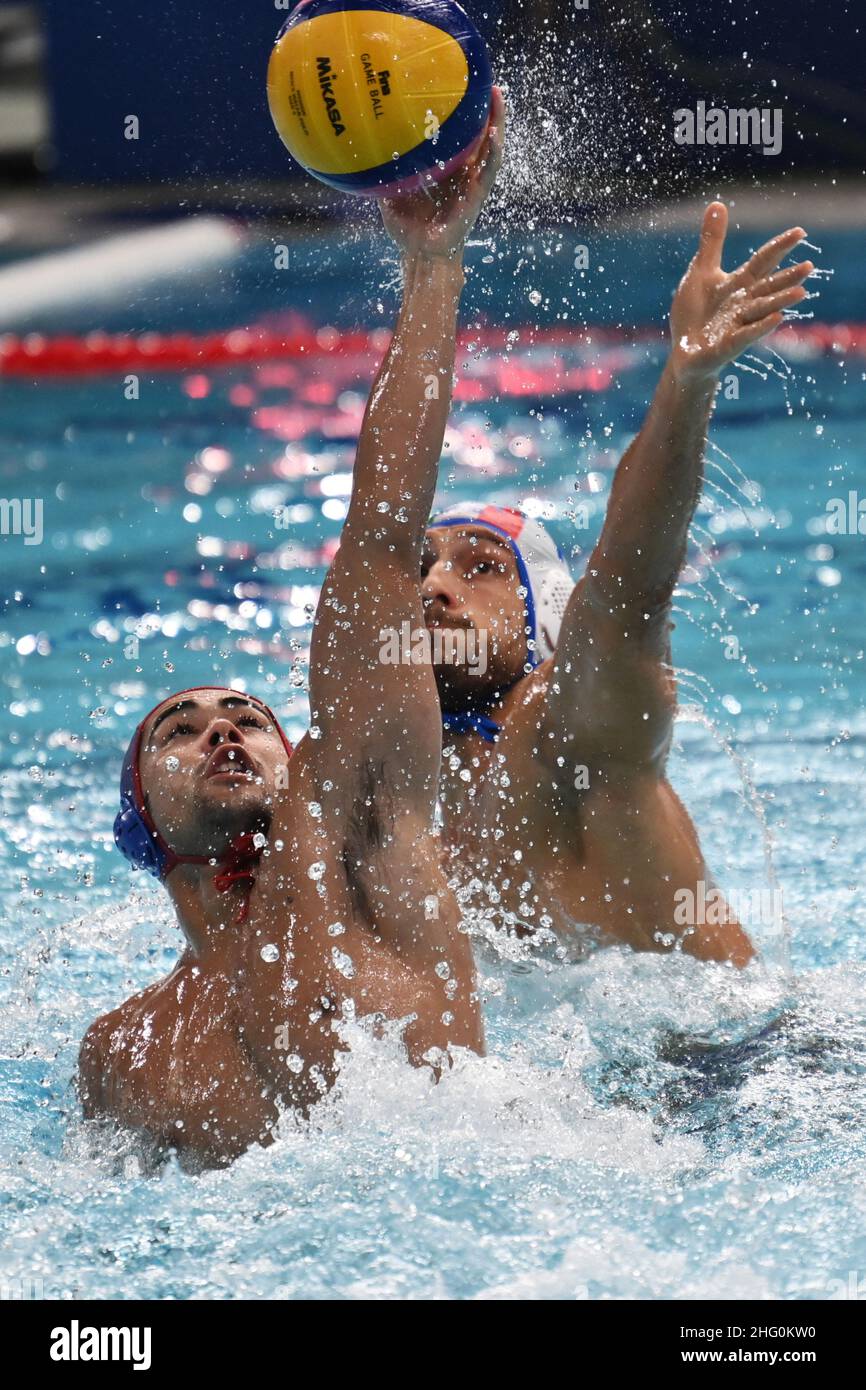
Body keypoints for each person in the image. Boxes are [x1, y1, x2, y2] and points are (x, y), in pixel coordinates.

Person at [76, 90, 507, 1170]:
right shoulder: (121, 1049)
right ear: (142, 822)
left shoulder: (357, 829)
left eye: (243, 717)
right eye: (179, 728)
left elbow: (376, 539)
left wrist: (433, 268)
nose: (222, 730)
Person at [421, 203, 813, 967]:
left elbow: (628, 587)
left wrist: (686, 380)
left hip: (745, 1068)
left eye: (481, 568)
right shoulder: (428, 828)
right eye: (422, 566)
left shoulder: (567, 724)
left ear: (546, 622)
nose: (434, 588)